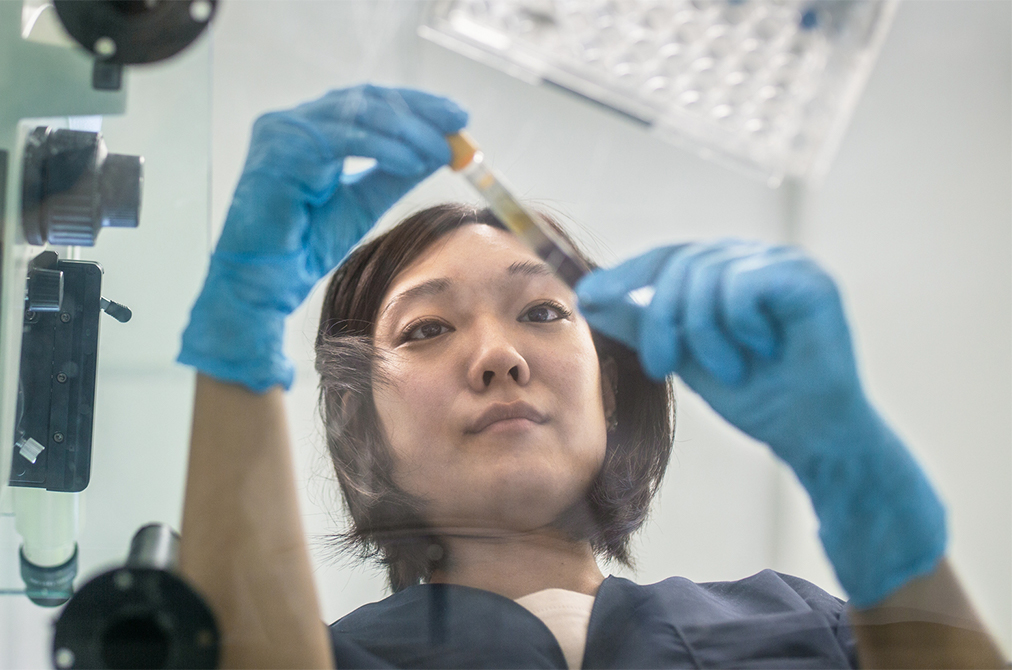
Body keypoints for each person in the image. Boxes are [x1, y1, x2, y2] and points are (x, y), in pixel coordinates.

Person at [174, 84, 1004, 668]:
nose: (499, 355)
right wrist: (236, 334)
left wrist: (853, 468)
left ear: (611, 383)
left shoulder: (803, 626)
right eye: (427, 329)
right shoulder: (309, 653)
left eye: (541, 312)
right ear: (360, 422)